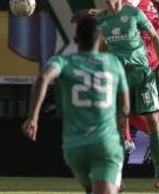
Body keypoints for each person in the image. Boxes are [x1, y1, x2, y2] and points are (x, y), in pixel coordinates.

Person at [72, 0, 159, 192]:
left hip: (142, 74)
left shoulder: (134, 14)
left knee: (154, 123)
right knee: (117, 130)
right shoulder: (101, 20)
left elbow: (155, 37)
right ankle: (117, 180)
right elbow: (99, 49)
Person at [22, 16, 130, 194]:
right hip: (105, 143)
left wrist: (33, 118)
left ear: (75, 40)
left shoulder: (64, 61)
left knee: (93, 189)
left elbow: (43, 78)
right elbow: (125, 107)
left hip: (74, 148)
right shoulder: (113, 63)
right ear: (100, 40)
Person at [115, 0, 159, 149]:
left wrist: (91, 13)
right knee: (130, 104)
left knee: (121, 95)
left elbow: (117, 13)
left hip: (144, 52)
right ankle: (146, 136)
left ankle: (127, 140)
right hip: (148, 51)